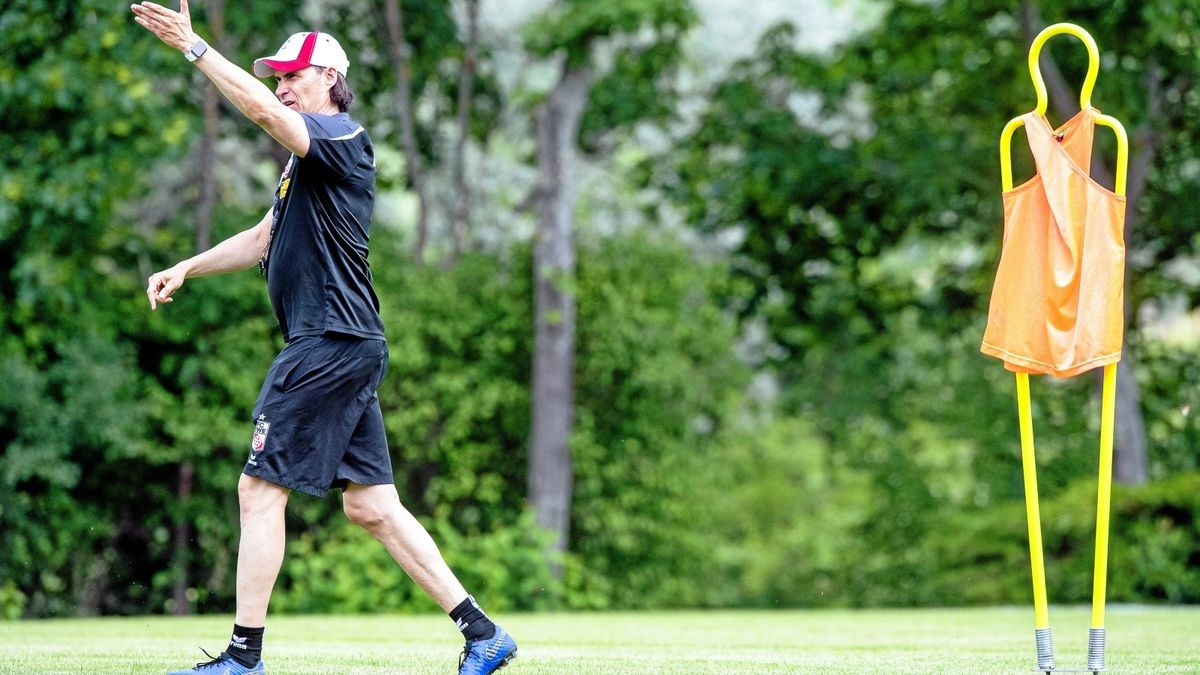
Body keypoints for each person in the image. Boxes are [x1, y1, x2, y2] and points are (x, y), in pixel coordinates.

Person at [130, 3, 518, 674]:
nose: (282, 86)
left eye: (292, 75)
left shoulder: (340, 137)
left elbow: (264, 115)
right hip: (347, 341)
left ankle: (242, 657)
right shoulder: (301, 169)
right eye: (276, 77)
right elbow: (260, 239)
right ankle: (483, 633)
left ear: (330, 76)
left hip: (327, 341)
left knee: (258, 490)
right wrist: (188, 266)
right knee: (371, 506)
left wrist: (195, 48)